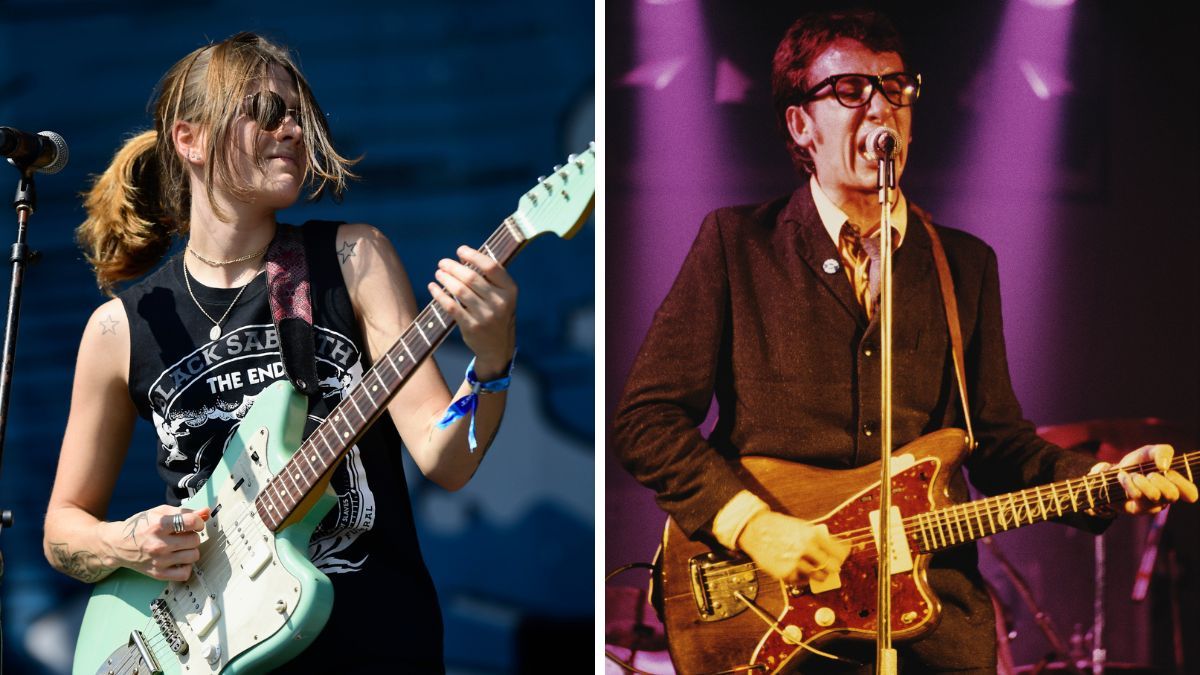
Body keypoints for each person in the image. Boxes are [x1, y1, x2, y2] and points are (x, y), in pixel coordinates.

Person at [611, 10, 1197, 673]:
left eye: (895, 88)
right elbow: (646, 420)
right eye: (850, 91)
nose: (881, 108)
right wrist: (752, 524)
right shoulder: (737, 245)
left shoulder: (962, 265)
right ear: (801, 124)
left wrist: (1102, 480)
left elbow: (997, 441)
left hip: (932, 628)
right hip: (778, 619)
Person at [42, 32, 517, 673]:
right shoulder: (119, 329)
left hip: (375, 648)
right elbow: (61, 530)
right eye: (266, 113)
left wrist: (491, 360)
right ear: (191, 139)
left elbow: (445, 457)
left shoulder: (353, 258)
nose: (293, 129)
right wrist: (129, 542)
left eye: (300, 113)